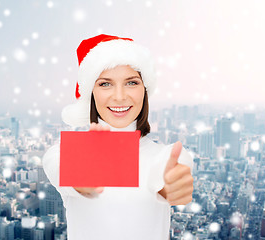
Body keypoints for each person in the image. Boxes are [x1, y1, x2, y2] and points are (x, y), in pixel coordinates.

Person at [42, 34, 194, 240]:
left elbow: (170, 177)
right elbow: (61, 168)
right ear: (91, 93)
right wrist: (83, 174)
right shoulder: (62, 153)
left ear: (145, 90)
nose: (120, 96)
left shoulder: (167, 156)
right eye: (105, 84)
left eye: (131, 82)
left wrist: (173, 186)